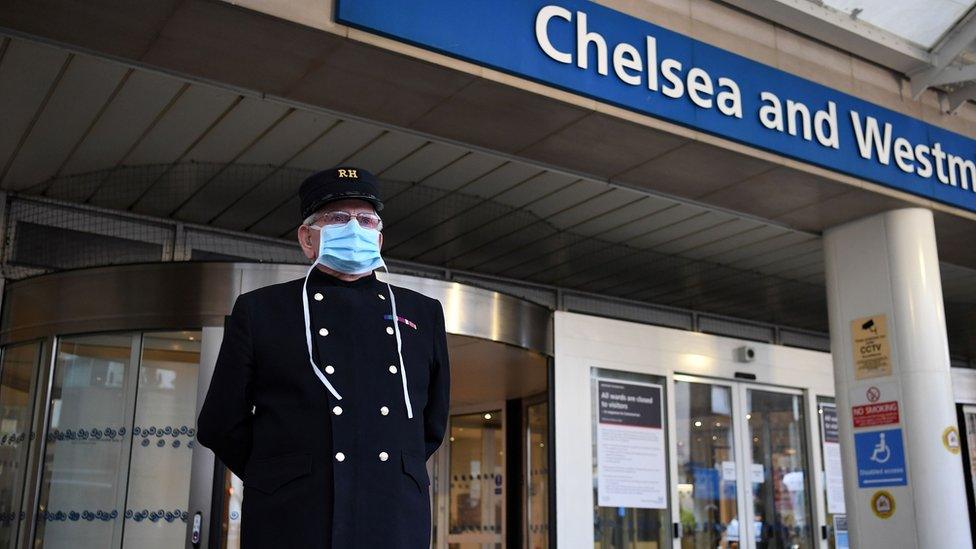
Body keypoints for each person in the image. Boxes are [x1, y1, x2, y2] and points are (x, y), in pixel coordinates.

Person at [197, 166, 451, 548]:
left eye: (365, 220)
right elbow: (220, 422)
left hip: (393, 520)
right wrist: (281, 473)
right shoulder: (261, 310)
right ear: (307, 238)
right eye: (337, 218)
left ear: (379, 239)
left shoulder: (422, 313)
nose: (354, 228)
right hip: (293, 520)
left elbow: (430, 426)